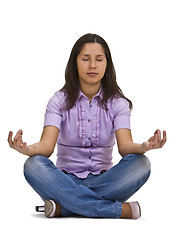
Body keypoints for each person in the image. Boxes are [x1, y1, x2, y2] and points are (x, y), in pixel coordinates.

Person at [8, 33, 166, 219]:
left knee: (141, 163)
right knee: (33, 165)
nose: (92, 65)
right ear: (75, 63)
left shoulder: (118, 103)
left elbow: (125, 147)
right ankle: (117, 210)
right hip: (64, 179)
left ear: (107, 64)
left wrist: (144, 147)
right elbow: (46, 146)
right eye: (85, 59)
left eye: (99, 59)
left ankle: (64, 207)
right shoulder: (58, 101)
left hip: (105, 181)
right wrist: (28, 149)